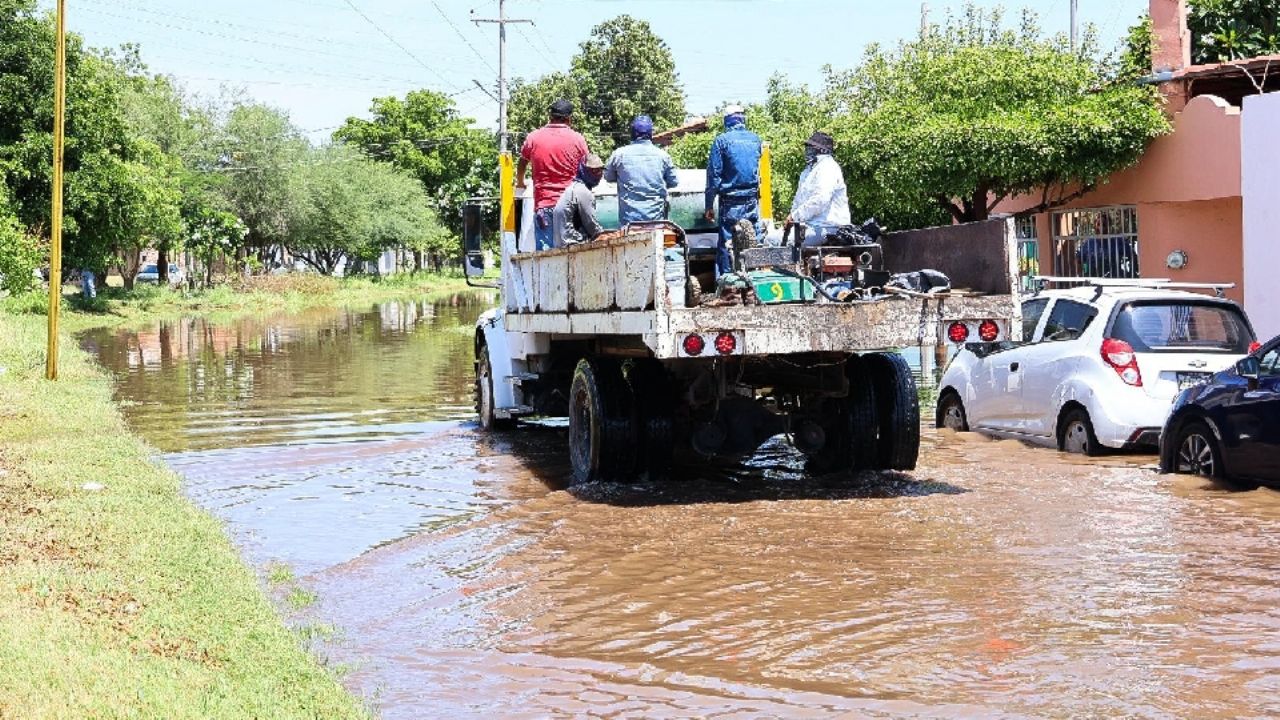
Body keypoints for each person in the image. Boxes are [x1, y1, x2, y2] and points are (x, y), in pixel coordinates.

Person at [518, 99, 589, 250]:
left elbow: (522, 162)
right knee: (573, 253)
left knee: (546, 257)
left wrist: (520, 182)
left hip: (545, 206)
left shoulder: (534, 137)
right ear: (569, 118)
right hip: (571, 206)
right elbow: (586, 169)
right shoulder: (578, 139)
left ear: (550, 116)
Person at [703, 105, 763, 276]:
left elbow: (713, 176)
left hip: (730, 202)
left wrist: (708, 206)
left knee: (728, 243)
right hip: (752, 200)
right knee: (752, 241)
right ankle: (753, 286)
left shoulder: (721, 141)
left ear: (727, 120)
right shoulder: (756, 140)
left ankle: (730, 292)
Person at [604, 115, 678, 225]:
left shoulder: (619, 155)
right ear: (650, 134)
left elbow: (608, 177)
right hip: (657, 222)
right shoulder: (663, 156)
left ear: (632, 133)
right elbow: (673, 182)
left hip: (629, 224)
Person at [785, 131, 851, 246]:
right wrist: (792, 219)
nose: (808, 150)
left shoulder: (828, 167)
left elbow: (820, 200)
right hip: (810, 226)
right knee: (776, 236)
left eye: (811, 147)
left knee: (772, 240)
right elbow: (798, 200)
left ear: (822, 150)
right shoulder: (808, 171)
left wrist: (795, 216)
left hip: (829, 228)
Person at [552, 154, 607, 247]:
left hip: (561, 243)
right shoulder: (583, 191)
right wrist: (604, 235)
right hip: (573, 242)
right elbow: (591, 224)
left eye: (600, 170)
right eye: (594, 170)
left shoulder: (574, 187)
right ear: (584, 170)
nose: (599, 174)